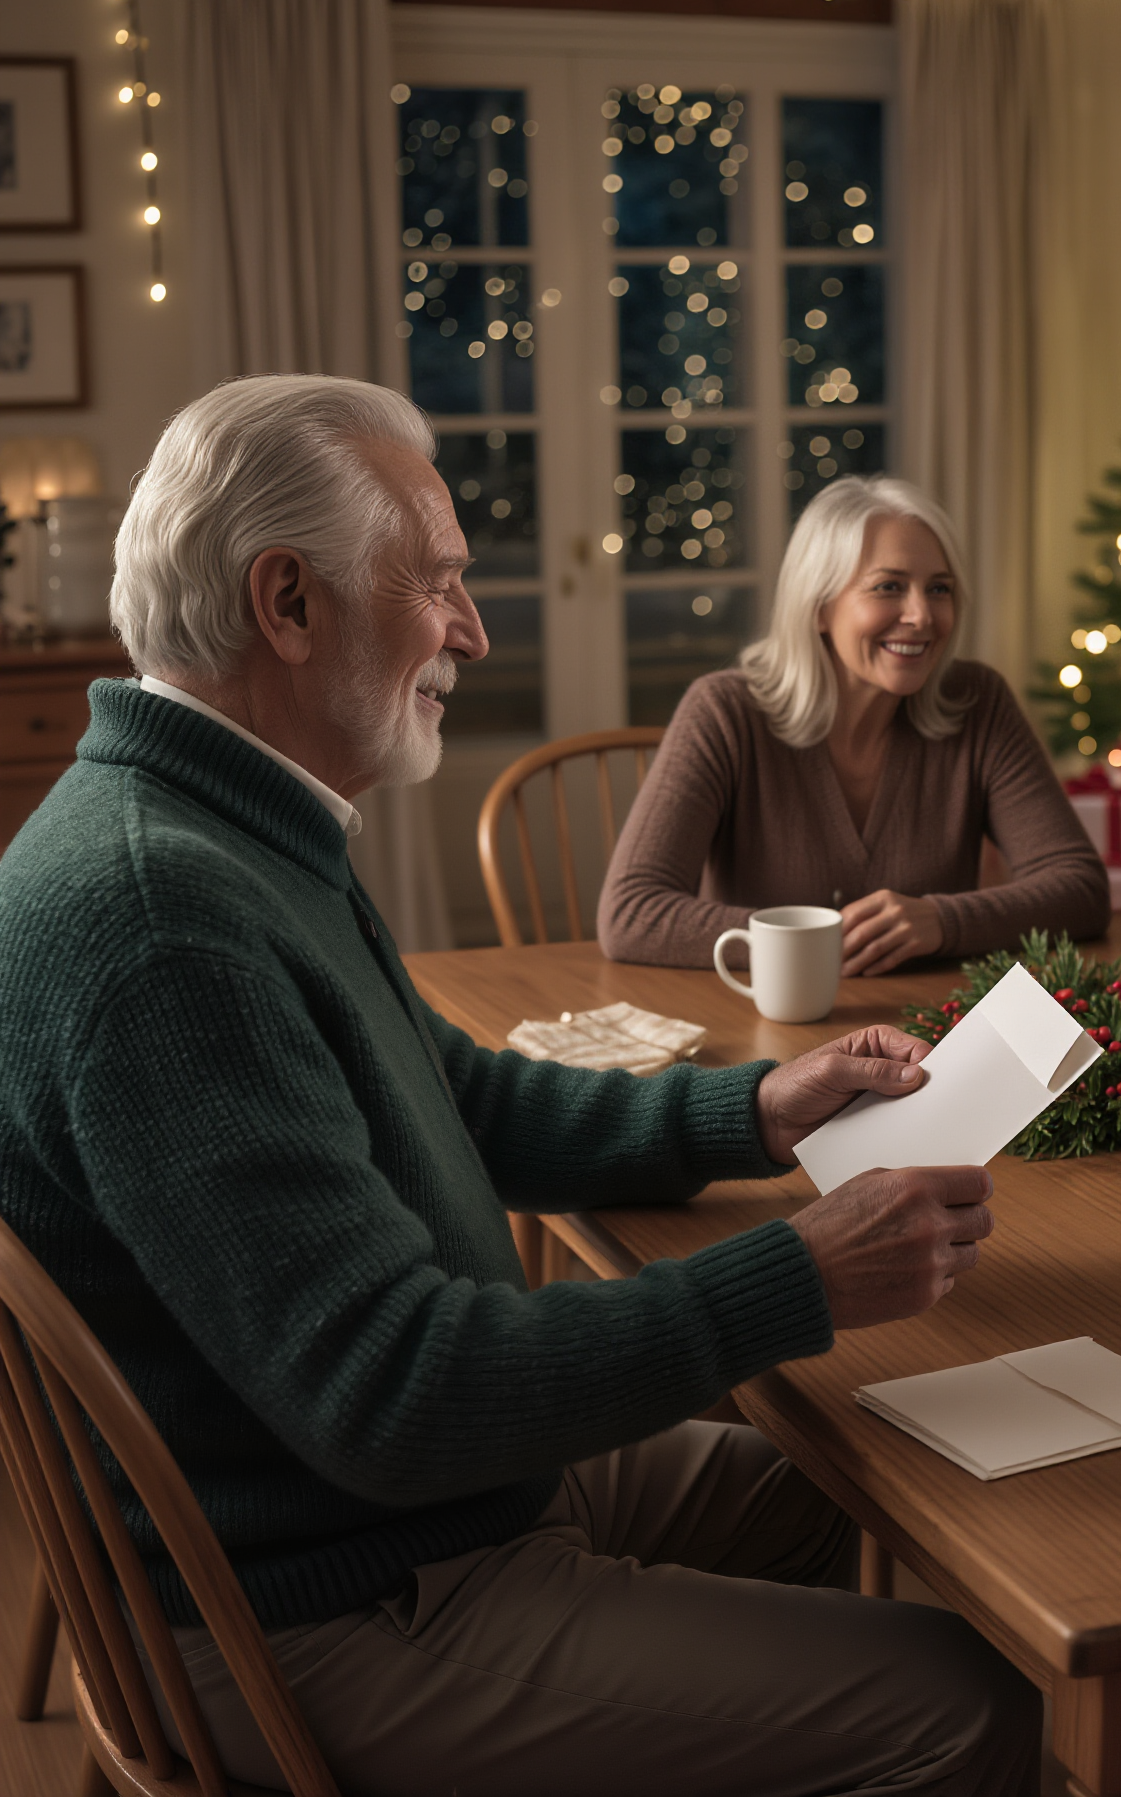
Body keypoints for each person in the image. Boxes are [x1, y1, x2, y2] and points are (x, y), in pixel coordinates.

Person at [0, 375, 1039, 1797]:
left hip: (391, 1510)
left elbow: (467, 1103)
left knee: (873, 1483)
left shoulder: (223, 822)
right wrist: (792, 1276)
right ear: (287, 603)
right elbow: (398, 1391)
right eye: (437, 586)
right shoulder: (164, 924)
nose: (473, 633)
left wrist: (754, 1110)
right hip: (325, 1602)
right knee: (967, 1703)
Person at [600, 473, 1108, 976]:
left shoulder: (978, 703)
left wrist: (943, 920)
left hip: (930, 1033)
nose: (922, 615)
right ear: (820, 607)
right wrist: (807, 943)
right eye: (888, 586)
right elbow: (631, 913)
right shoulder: (722, 713)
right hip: (761, 1031)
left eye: (939, 589)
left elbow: (1080, 888)